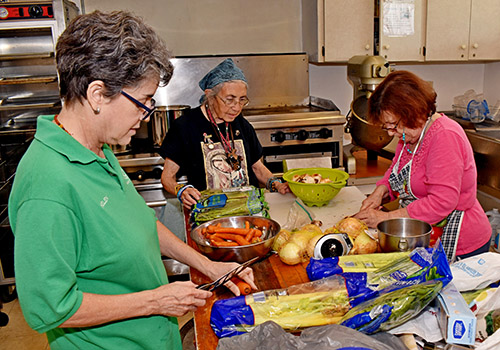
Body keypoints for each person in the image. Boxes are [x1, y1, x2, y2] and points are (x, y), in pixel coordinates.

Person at [8, 11, 256, 350]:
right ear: (97, 95)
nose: (144, 116)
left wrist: (208, 265)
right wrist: (155, 302)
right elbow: (49, 308)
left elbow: (140, 224)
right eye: (142, 102)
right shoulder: (47, 185)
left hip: (153, 337)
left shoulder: (98, 149)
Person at [354, 70, 490, 262]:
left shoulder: (444, 136)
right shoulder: (409, 135)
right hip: (425, 237)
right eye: (387, 127)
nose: (391, 133)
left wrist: (386, 219)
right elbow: (397, 172)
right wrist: (381, 191)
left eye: (393, 125)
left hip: (462, 245)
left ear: (412, 112)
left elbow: (441, 202)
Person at [159, 58, 290, 209]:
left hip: (248, 209)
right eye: (229, 99)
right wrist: (181, 191)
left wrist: (274, 183)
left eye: (242, 100)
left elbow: (256, 167)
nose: (237, 107)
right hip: (210, 213)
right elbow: (167, 178)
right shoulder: (185, 126)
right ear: (210, 96)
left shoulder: (242, 124)